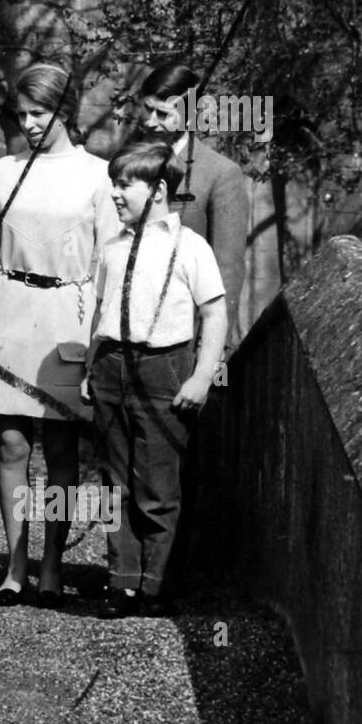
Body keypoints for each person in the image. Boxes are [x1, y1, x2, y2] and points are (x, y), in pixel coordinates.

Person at [0, 62, 119, 607]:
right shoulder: (5, 171)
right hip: (9, 313)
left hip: (65, 321)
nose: (28, 123)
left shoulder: (98, 175)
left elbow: (107, 262)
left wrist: (101, 338)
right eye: (22, 113)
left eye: (39, 113)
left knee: (60, 449)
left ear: (65, 112)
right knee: (10, 443)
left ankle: (52, 565)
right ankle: (16, 565)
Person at [80, 141, 227, 617]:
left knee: (158, 486)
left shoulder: (190, 247)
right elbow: (100, 311)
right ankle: (122, 582)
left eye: (126, 185)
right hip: (110, 368)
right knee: (115, 482)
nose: (115, 195)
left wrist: (202, 376)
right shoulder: (113, 248)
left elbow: (216, 313)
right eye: (113, 185)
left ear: (159, 190)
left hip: (164, 369)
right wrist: (90, 366)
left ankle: (155, 586)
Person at [134, 63, 248, 350]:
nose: (150, 121)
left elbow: (228, 270)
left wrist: (211, 349)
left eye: (163, 114)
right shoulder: (126, 163)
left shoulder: (220, 173)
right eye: (147, 109)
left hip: (182, 335)